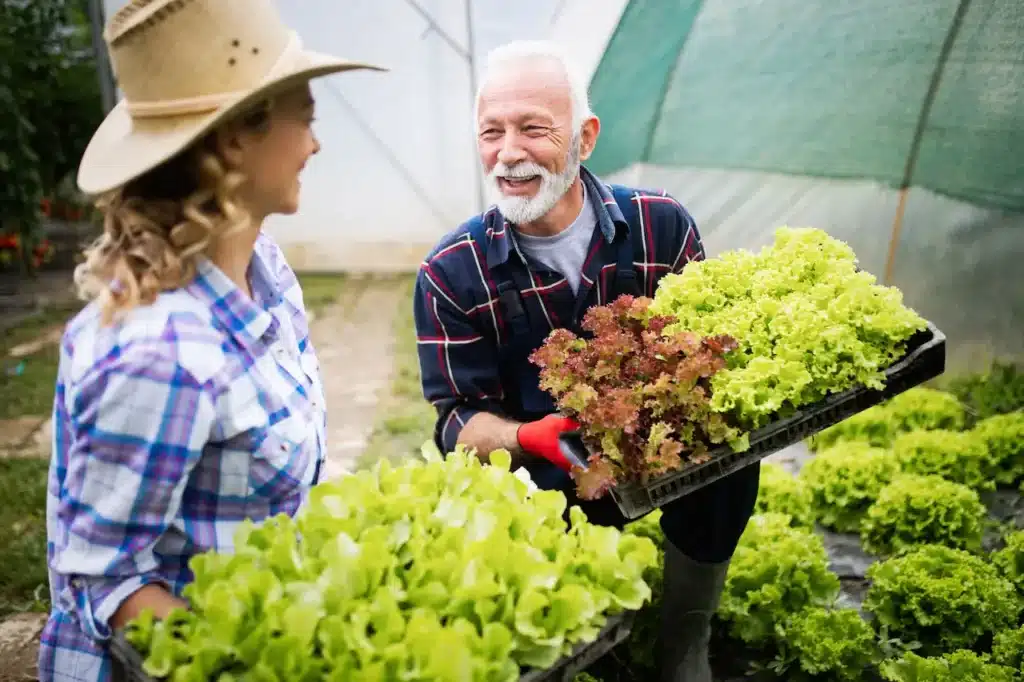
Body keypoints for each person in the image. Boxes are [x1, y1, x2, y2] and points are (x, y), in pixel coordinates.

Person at [38, 2, 384, 680]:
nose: (317, 144)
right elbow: (107, 585)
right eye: (306, 117)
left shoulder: (265, 272)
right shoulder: (163, 353)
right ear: (234, 142)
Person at [413, 40, 760, 682]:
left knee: (733, 462)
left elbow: (709, 357)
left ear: (585, 137)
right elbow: (454, 423)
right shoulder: (452, 272)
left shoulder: (661, 226)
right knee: (504, 500)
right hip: (549, 475)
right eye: (492, 132)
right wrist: (527, 437)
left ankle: (685, 640)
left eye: (533, 129)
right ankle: (568, 631)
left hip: (664, 454)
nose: (509, 152)